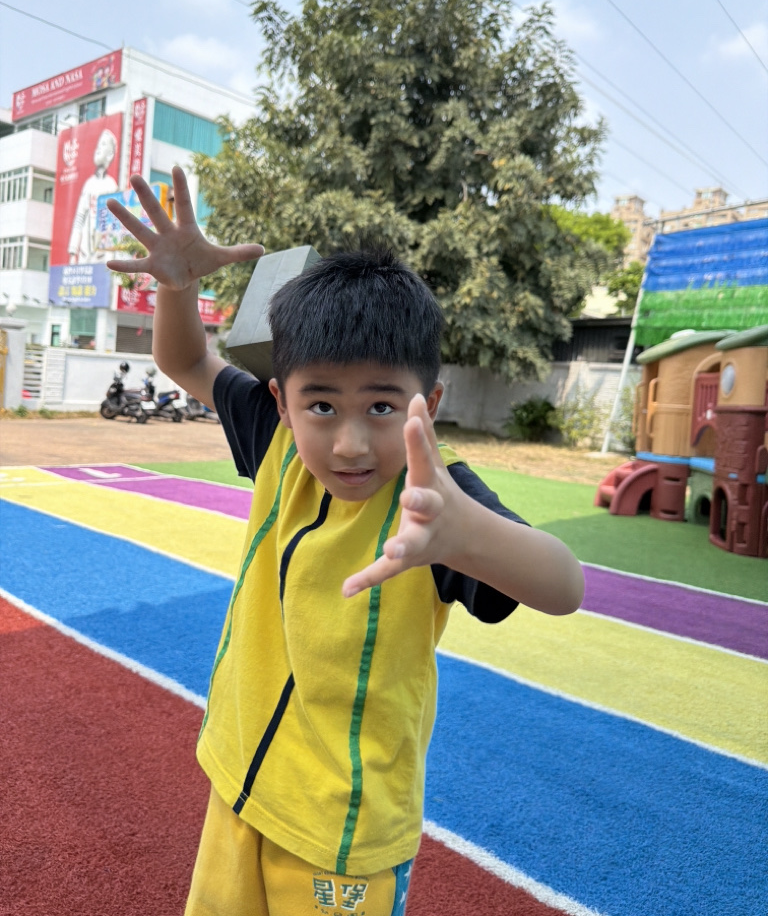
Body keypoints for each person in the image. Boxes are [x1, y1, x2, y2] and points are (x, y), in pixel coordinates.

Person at [106, 166, 585, 916]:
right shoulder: (277, 442)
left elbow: (563, 585)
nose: (351, 442)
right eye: (322, 404)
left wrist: (465, 533)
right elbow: (188, 362)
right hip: (238, 781)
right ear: (282, 402)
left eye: (383, 406)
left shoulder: (436, 498)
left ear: (430, 402)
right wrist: (176, 286)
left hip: (342, 832)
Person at [67, 128, 119, 265]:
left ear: (110, 155)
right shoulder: (89, 184)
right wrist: (73, 251)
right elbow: (80, 217)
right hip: (85, 251)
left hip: (103, 252)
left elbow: (114, 224)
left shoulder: (111, 185)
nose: (98, 148)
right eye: (98, 145)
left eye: (103, 145)